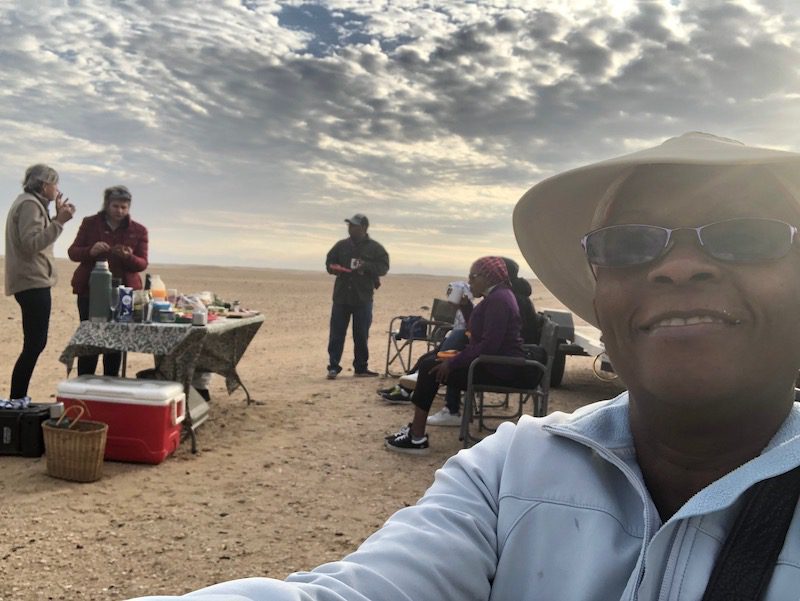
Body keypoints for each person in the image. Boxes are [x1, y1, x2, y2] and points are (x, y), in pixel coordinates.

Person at [131, 133, 800, 600]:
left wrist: (456, 351)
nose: (679, 264)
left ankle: (419, 419)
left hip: (499, 369)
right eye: (630, 244)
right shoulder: (513, 472)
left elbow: (488, 342)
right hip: (454, 352)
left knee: (433, 363)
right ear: (599, 291)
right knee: (429, 359)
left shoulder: (497, 307)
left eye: (747, 235)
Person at [384, 256, 542, 454]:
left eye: (473, 277)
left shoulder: (499, 300)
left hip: (500, 368)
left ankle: (417, 436)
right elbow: (479, 333)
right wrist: (466, 308)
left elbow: (489, 345)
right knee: (433, 363)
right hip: (493, 363)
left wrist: (453, 363)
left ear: (487, 277)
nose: (469, 282)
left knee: (429, 368)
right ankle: (416, 433)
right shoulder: (497, 297)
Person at [4, 164, 75, 401]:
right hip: (32, 282)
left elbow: (36, 240)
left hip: (32, 281)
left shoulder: (31, 204)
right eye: (54, 183)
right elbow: (32, 244)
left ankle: (18, 398)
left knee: (34, 344)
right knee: (34, 345)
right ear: (44, 185)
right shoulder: (29, 205)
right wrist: (60, 222)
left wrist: (55, 217)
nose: (57, 189)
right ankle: (17, 399)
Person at [67, 185, 148, 376]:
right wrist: (91, 251)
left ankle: (111, 383)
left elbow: (142, 263)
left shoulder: (139, 230)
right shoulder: (90, 223)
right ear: (107, 205)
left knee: (115, 341)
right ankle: (85, 382)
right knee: (91, 339)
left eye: (124, 207)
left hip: (123, 295)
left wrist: (128, 257)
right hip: (90, 292)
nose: (119, 211)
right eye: (115, 206)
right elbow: (73, 252)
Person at [325, 213, 389, 379]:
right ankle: (333, 366)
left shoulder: (375, 248)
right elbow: (329, 262)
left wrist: (366, 266)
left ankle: (361, 368)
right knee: (336, 334)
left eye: (354, 226)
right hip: (341, 297)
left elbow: (383, 267)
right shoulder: (341, 246)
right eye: (349, 225)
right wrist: (334, 268)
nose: (350, 228)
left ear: (364, 228)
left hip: (363, 298)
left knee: (361, 334)